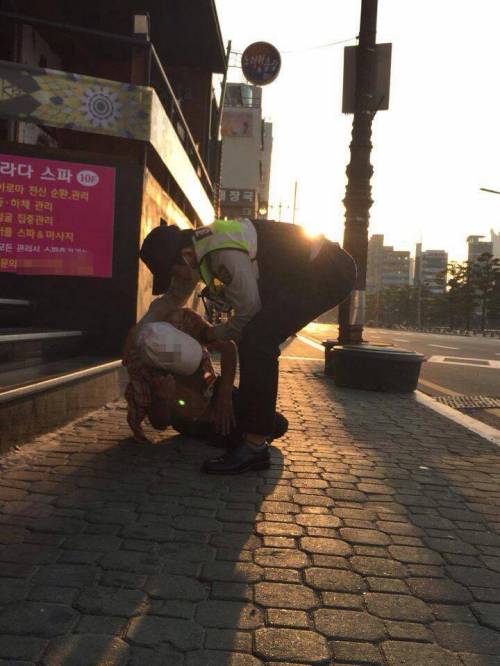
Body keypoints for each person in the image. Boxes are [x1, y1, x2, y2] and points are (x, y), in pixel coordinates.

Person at [137, 217, 356, 474]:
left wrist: (212, 334)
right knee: (256, 337)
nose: (178, 280)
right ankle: (254, 439)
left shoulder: (218, 252)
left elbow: (247, 312)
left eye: (175, 273)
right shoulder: (208, 252)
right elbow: (235, 296)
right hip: (308, 270)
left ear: (186, 256)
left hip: (328, 268)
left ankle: (254, 447)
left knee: (258, 339)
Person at [123, 306, 288, 449]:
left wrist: (225, 397)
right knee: (239, 438)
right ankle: (212, 430)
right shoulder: (141, 368)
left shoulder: (183, 321)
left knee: (277, 424)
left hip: (214, 387)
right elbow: (159, 424)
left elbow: (228, 347)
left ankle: (231, 429)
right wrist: (161, 398)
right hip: (187, 416)